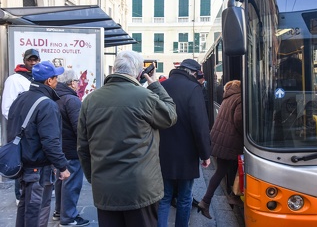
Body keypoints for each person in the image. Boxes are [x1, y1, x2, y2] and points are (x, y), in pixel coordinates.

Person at [77, 50, 177, 227]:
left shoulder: (90, 100)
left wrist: (95, 178)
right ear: (139, 73)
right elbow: (170, 116)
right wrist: (155, 85)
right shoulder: (145, 96)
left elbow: (83, 147)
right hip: (140, 189)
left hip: (105, 187)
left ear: (114, 70)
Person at [7, 61, 71, 227]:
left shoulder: (21, 99)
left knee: (25, 206)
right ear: (49, 81)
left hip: (23, 164)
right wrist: (62, 166)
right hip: (38, 168)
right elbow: (50, 141)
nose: (58, 81)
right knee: (38, 209)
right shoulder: (47, 104)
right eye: (56, 77)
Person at [158, 59, 211, 227]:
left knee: (164, 198)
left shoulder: (162, 86)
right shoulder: (193, 88)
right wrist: (205, 154)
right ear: (192, 73)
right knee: (185, 197)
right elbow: (200, 125)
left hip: (162, 151)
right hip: (186, 154)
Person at [197, 80, 243, 219]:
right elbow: (239, 120)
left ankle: (212, 200)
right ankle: (228, 197)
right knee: (235, 169)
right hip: (231, 141)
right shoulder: (239, 99)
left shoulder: (227, 98)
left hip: (222, 141)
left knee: (224, 170)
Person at [1, 48, 40, 206]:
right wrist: (23, 123)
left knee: (33, 162)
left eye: (35, 59)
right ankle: (19, 196)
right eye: (30, 59)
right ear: (24, 60)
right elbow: (6, 108)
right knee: (21, 162)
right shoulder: (14, 79)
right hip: (21, 130)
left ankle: (31, 192)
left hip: (35, 129)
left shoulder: (37, 78)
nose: (33, 62)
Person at [53, 70, 89, 226]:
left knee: (61, 181)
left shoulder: (55, 97)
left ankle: (59, 212)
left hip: (59, 148)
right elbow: (79, 128)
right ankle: (68, 217)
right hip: (72, 149)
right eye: (76, 81)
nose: (78, 83)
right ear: (72, 83)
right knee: (72, 183)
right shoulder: (72, 100)